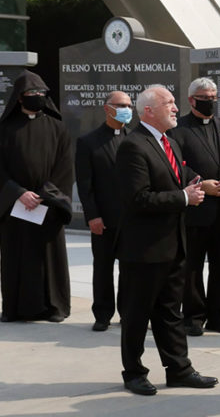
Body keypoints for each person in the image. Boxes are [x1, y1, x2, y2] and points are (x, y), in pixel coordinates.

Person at [115, 84, 217, 395]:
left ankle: (179, 369)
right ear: (148, 111)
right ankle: (133, 372)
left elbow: (176, 177)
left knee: (171, 313)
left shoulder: (170, 142)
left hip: (173, 246)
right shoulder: (133, 146)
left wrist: (195, 183)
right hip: (144, 249)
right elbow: (139, 198)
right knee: (136, 315)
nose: (175, 108)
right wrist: (183, 198)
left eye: (174, 102)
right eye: (168, 103)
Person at [171, 77, 220, 336]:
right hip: (197, 207)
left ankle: (219, 315)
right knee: (192, 266)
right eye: (205, 98)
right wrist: (199, 183)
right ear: (192, 99)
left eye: (214, 98)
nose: (210, 102)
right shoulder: (177, 129)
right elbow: (175, 163)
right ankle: (193, 317)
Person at [0, 70, 73, 323]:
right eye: (32, 93)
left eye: (42, 93)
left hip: (47, 204)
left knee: (49, 256)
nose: (37, 97)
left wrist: (44, 195)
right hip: (15, 204)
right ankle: (14, 308)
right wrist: (18, 193)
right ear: (20, 98)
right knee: (16, 256)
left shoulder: (58, 127)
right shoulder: (5, 129)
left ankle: (54, 306)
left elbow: (65, 166)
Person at [75, 90, 133, 331]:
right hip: (103, 218)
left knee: (131, 269)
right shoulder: (88, 142)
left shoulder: (135, 138)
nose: (126, 109)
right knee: (103, 268)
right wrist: (92, 215)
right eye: (121, 104)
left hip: (131, 219)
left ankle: (129, 312)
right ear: (107, 108)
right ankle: (102, 314)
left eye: (129, 104)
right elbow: (85, 183)